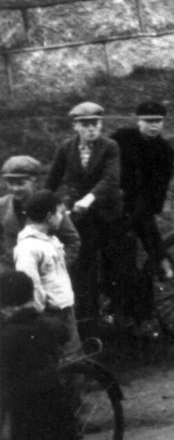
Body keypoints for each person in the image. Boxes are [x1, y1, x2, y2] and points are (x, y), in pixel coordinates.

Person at [0, 269, 82, 440]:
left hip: (26, 409)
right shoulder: (48, 325)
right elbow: (64, 333)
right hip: (57, 403)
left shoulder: (6, 336)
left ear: (4, 304)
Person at [45, 102, 127, 327]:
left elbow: (110, 179)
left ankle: (121, 316)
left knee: (115, 264)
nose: (91, 129)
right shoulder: (65, 148)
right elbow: (53, 180)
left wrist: (89, 199)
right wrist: (40, 205)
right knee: (83, 266)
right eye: (86, 124)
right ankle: (89, 320)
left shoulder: (110, 146)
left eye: (95, 124)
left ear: (100, 125)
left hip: (108, 213)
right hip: (81, 217)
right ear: (75, 126)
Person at [112, 101, 174, 338]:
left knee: (146, 251)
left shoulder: (165, 151)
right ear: (138, 121)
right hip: (117, 201)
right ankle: (119, 309)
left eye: (158, 121)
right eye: (149, 121)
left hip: (143, 206)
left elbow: (157, 190)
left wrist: (135, 215)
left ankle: (162, 264)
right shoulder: (122, 138)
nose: (153, 126)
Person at [12, 190, 82, 358]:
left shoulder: (48, 240)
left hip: (64, 308)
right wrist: (40, 316)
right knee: (59, 358)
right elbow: (31, 285)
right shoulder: (29, 248)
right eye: (60, 213)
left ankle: (78, 380)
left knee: (74, 353)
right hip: (50, 313)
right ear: (49, 216)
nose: (63, 217)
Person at [1, 155, 80, 272]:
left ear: (34, 181)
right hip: (10, 271)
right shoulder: (2, 205)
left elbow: (72, 240)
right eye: (10, 183)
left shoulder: (50, 204)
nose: (15, 188)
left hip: (44, 272)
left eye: (20, 183)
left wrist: (56, 267)